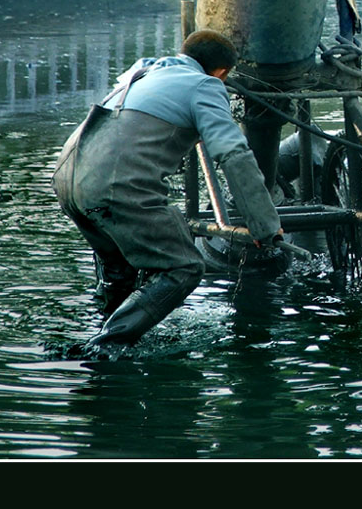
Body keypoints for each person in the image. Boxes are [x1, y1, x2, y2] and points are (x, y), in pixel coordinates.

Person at [52, 30, 282, 355]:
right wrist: (264, 226)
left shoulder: (144, 71)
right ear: (222, 72)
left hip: (68, 179)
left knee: (119, 270)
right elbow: (234, 155)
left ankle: (106, 328)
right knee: (184, 266)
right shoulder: (205, 85)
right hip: (115, 187)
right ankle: (104, 348)